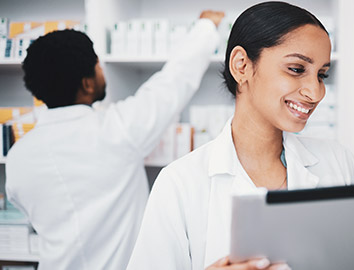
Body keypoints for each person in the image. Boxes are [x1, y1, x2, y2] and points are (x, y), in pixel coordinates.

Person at [127, 2, 354, 270]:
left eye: (322, 74)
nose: (315, 92)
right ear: (242, 66)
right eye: (297, 69)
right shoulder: (181, 183)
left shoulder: (336, 162)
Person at [5, 11, 224, 270]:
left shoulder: (18, 154)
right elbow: (174, 82)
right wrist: (205, 27)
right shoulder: (117, 130)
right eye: (98, 65)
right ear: (87, 84)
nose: (102, 70)